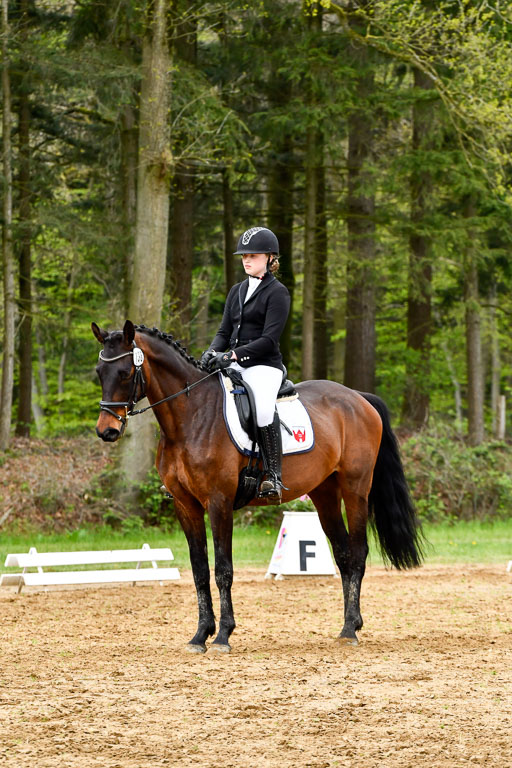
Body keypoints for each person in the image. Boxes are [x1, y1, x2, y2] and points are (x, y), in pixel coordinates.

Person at [201, 226, 291, 501]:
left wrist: (232, 356)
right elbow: (224, 332)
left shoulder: (278, 293)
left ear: (269, 257)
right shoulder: (236, 291)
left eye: (252, 255)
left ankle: (273, 475)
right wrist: (212, 352)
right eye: (243, 256)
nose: (246, 260)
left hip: (264, 366)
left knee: (263, 408)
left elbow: (269, 339)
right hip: (236, 363)